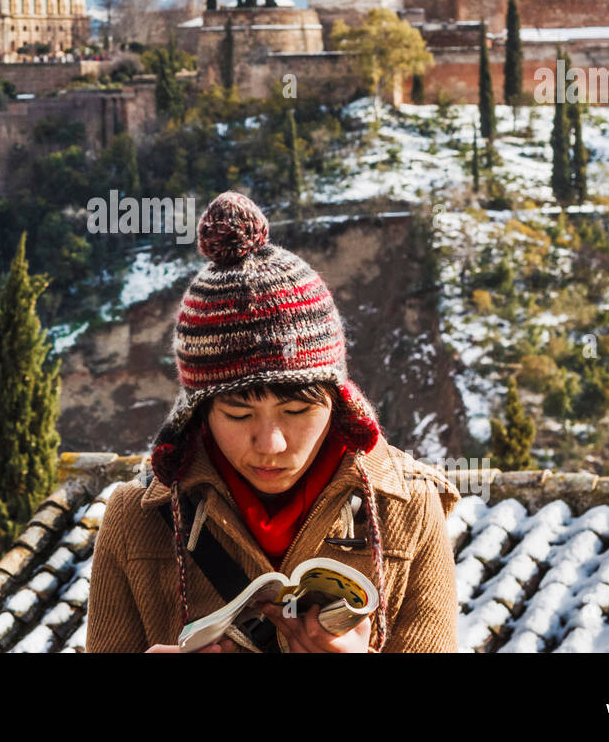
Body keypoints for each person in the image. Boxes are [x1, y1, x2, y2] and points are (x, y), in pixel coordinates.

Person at [86, 191, 460, 653]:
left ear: (338, 400)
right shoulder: (136, 521)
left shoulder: (409, 508)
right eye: (239, 413)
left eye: (297, 410)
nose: (270, 443)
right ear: (198, 411)